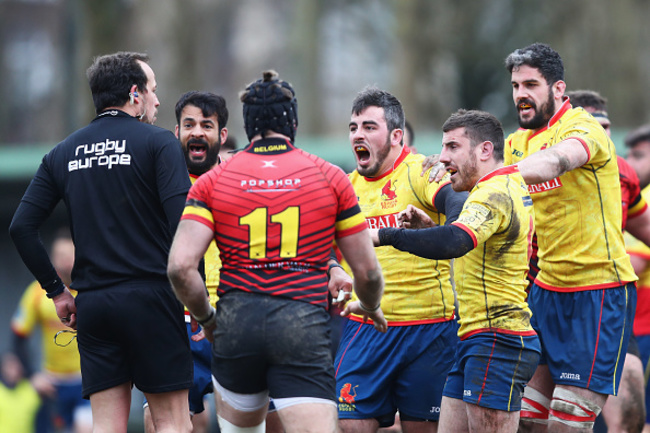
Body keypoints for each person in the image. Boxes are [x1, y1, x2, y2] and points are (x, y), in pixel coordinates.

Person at [168, 70, 386, 433]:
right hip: (302, 327)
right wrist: (370, 304)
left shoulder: (212, 180)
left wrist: (208, 321)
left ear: (245, 124)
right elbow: (368, 273)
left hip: (237, 327)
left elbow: (179, 268)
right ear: (294, 121)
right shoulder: (329, 176)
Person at [8, 51, 194, 433]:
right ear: (135, 95)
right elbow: (184, 227)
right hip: (153, 299)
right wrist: (196, 299)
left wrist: (58, 292)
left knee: (105, 426)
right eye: (153, 90)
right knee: (173, 423)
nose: (158, 100)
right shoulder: (160, 144)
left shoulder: (62, 152)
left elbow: (21, 227)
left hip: (93, 306)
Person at [371, 108, 540, 433]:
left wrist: (384, 235)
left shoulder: (493, 191)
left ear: (485, 150)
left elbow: (456, 241)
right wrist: (427, 230)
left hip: (498, 339)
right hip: (473, 338)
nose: (442, 158)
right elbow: (469, 246)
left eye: (452, 148)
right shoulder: (498, 186)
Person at [503, 43, 637, 432]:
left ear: (558, 88)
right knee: (526, 420)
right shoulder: (515, 143)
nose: (521, 95)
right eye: (515, 86)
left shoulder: (584, 127)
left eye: (531, 84)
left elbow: (558, 160)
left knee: (567, 423)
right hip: (545, 292)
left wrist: (503, 175)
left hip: (597, 291)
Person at [335, 86, 466, 433]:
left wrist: (442, 227)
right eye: (353, 127)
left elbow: (459, 206)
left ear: (396, 136)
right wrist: (334, 271)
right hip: (366, 329)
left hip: (429, 330)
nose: (358, 135)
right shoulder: (346, 187)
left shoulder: (422, 171)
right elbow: (322, 250)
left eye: (368, 127)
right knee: (349, 425)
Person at [141, 90, 229, 433]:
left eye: (206, 125)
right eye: (188, 124)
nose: (196, 132)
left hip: (233, 320)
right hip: (175, 322)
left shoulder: (240, 180)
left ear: (221, 135)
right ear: (176, 132)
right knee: (162, 419)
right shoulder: (154, 183)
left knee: (263, 420)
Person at [567, 89, 648, 433]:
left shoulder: (623, 175)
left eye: (607, 127)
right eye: (592, 126)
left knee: (630, 409)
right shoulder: (536, 167)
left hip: (608, 303)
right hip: (546, 303)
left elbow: (644, 229)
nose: (603, 135)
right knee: (547, 418)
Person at [11, 229, 92, 433]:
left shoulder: (91, 290)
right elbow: (18, 337)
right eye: (58, 256)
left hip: (86, 379)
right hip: (53, 384)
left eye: (68, 256)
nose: (63, 262)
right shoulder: (37, 293)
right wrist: (32, 376)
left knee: (86, 428)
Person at [623, 124, 650, 433]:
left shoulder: (644, 199)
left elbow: (634, 264)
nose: (630, 161)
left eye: (639, 155)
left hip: (643, 331)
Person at [0, 352, 42, 433]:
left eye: (17, 366)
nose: (14, 371)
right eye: (10, 367)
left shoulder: (30, 389)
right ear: (3, 369)